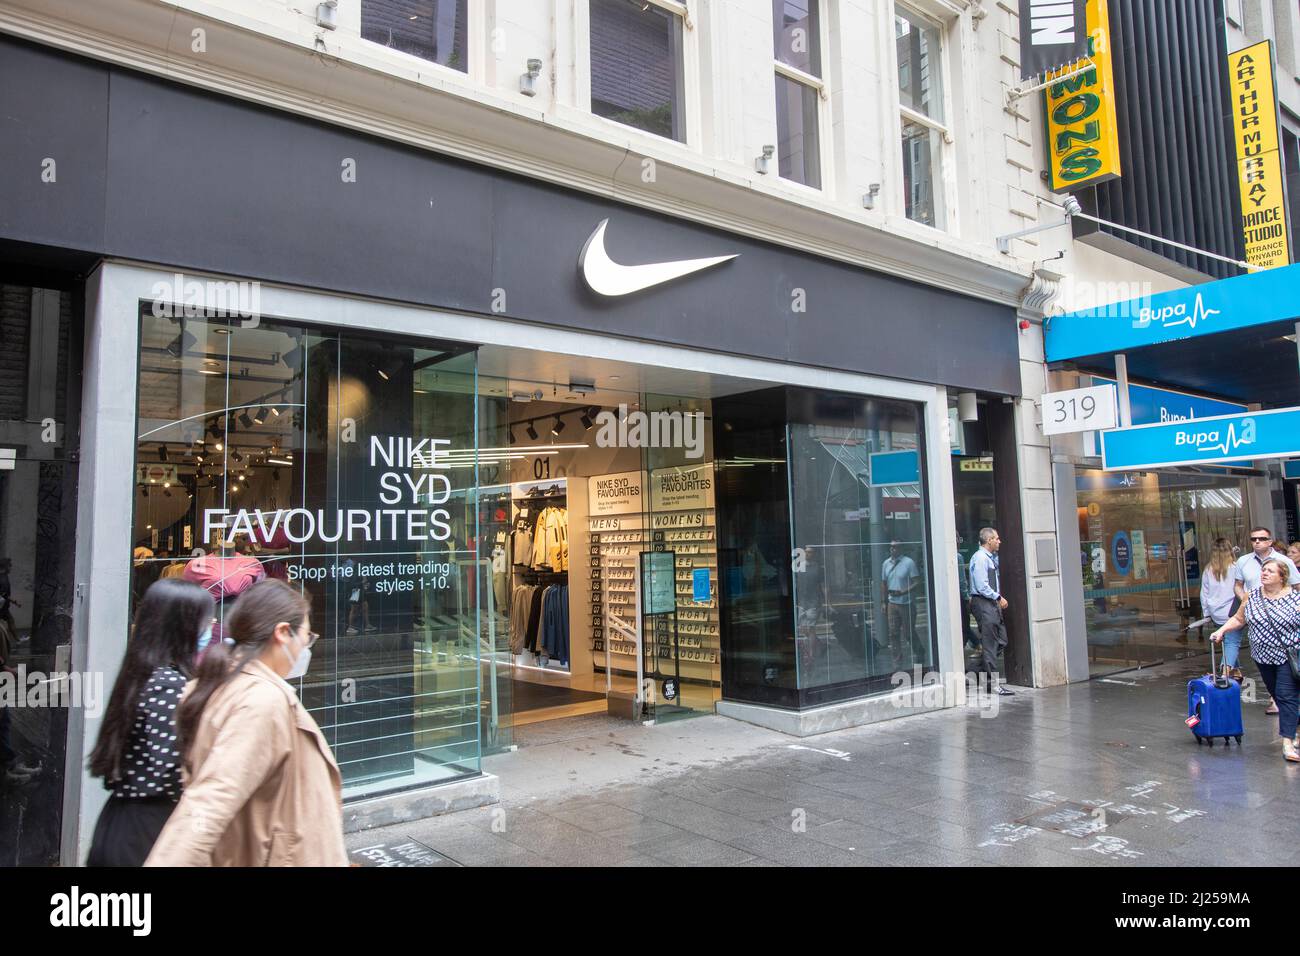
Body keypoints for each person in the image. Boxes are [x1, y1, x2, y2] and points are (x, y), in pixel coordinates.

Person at [145, 579, 347, 866]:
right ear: (282, 633)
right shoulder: (261, 701)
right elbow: (211, 801)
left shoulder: (220, 681)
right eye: (306, 635)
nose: (307, 646)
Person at [86, 578, 214, 865]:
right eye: (206, 620)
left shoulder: (142, 674)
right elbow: (171, 767)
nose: (212, 626)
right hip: (150, 829)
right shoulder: (168, 684)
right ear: (183, 627)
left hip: (123, 820)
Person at [1211, 558, 1300, 763]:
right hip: (1262, 657)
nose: (1264, 573)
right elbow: (1239, 619)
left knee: (1286, 696)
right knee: (1279, 696)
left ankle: (1288, 742)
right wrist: (1221, 630)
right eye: (1263, 570)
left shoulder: (1295, 599)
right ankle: (1294, 726)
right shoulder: (1251, 596)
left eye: (1270, 571)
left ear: (1282, 576)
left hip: (1288, 657)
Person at [1232, 527, 1300, 715]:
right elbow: (1237, 585)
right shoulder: (1243, 561)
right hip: (1257, 620)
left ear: (1270, 541)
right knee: (1269, 671)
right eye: (1253, 539)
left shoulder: (1284, 561)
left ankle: (1282, 710)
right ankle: (1280, 700)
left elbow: (1297, 587)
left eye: (1262, 539)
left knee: (1285, 675)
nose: (1257, 542)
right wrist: (1246, 601)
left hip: (1283, 626)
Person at [968, 527, 1013, 696]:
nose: (999, 541)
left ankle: (975, 672)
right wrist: (998, 597)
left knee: (1001, 640)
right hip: (984, 602)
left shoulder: (988, 558)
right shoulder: (981, 558)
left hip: (989, 604)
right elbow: (981, 585)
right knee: (990, 644)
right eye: (997, 538)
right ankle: (993, 685)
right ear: (989, 541)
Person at [1199, 537, 1238, 677]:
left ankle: (1236, 671)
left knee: (1227, 641)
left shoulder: (1208, 569)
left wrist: (1206, 613)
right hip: (1232, 612)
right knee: (1232, 642)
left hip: (1216, 612)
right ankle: (1225, 673)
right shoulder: (1235, 568)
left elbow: (1204, 593)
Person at [881, 541, 922, 664]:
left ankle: (919, 651)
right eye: (891, 546)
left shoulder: (908, 563)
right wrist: (883, 602)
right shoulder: (886, 564)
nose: (892, 549)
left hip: (906, 603)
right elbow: (883, 583)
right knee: (893, 633)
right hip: (892, 603)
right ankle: (897, 661)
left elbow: (917, 581)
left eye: (895, 546)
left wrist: (903, 592)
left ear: (901, 548)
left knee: (908, 632)